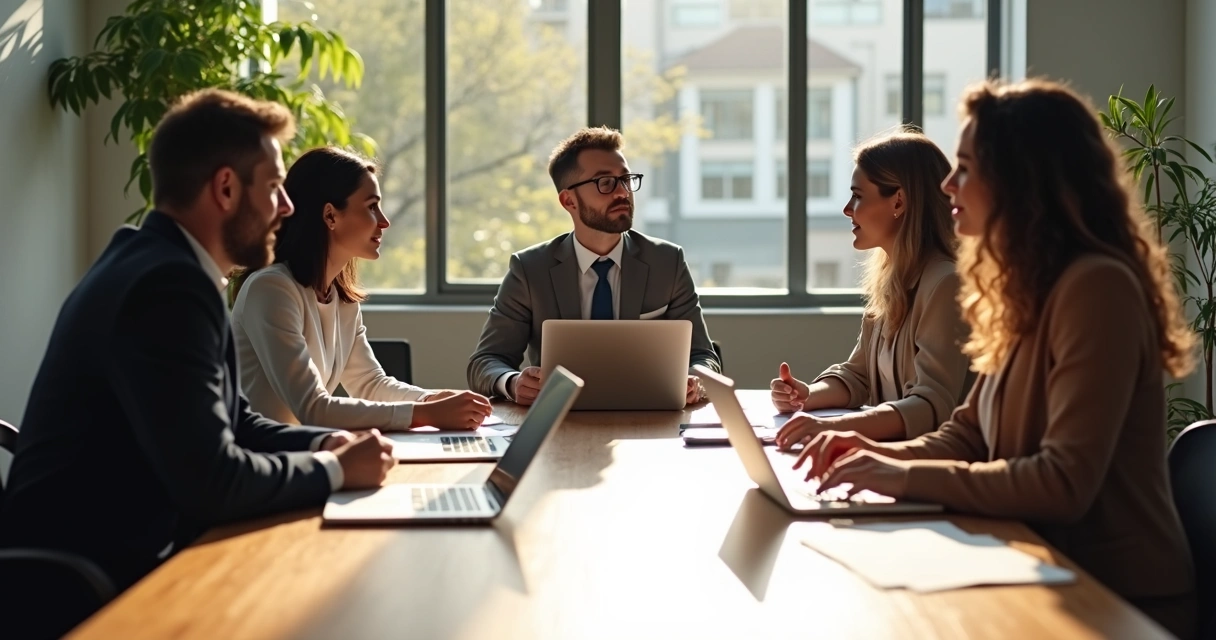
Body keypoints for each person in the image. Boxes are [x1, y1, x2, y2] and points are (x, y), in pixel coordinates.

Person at [796, 79, 1197, 639]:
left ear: (1019, 181)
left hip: (1113, 596)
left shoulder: (1095, 287)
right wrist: (875, 454)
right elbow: (967, 435)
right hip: (1040, 567)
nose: (947, 184)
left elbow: (1062, 481)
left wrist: (901, 475)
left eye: (964, 167)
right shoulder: (1022, 289)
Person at [0, 89, 395, 595]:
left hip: (117, 559)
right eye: (274, 186)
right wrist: (333, 470)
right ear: (226, 189)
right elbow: (214, 482)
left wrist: (322, 441)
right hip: (79, 587)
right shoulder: (166, 287)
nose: (288, 207)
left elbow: (233, 420)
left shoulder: (160, 263)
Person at [232, 146, 492, 430]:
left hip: (304, 452)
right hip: (260, 460)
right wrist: (426, 414)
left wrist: (434, 400)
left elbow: (370, 384)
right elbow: (312, 408)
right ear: (330, 216)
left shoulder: (342, 299)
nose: (384, 221)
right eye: (371, 207)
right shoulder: (270, 289)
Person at [467, 126, 721, 406]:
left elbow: (704, 356)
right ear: (568, 200)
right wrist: (513, 383)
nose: (623, 192)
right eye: (605, 183)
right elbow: (486, 361)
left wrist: (696, 381)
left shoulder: (667, 262)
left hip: (650, 420)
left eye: (626, 179)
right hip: (559, 422)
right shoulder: (529, 269)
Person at [771, 130, 972, 448]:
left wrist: (834, 428)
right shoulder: (892, 280)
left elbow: (932, 407)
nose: (847, 209)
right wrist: (806, 396)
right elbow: (858, 375)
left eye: (858, 196)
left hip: (934, 471)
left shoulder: (945, 284)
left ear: (899, 201)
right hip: (891, 460)